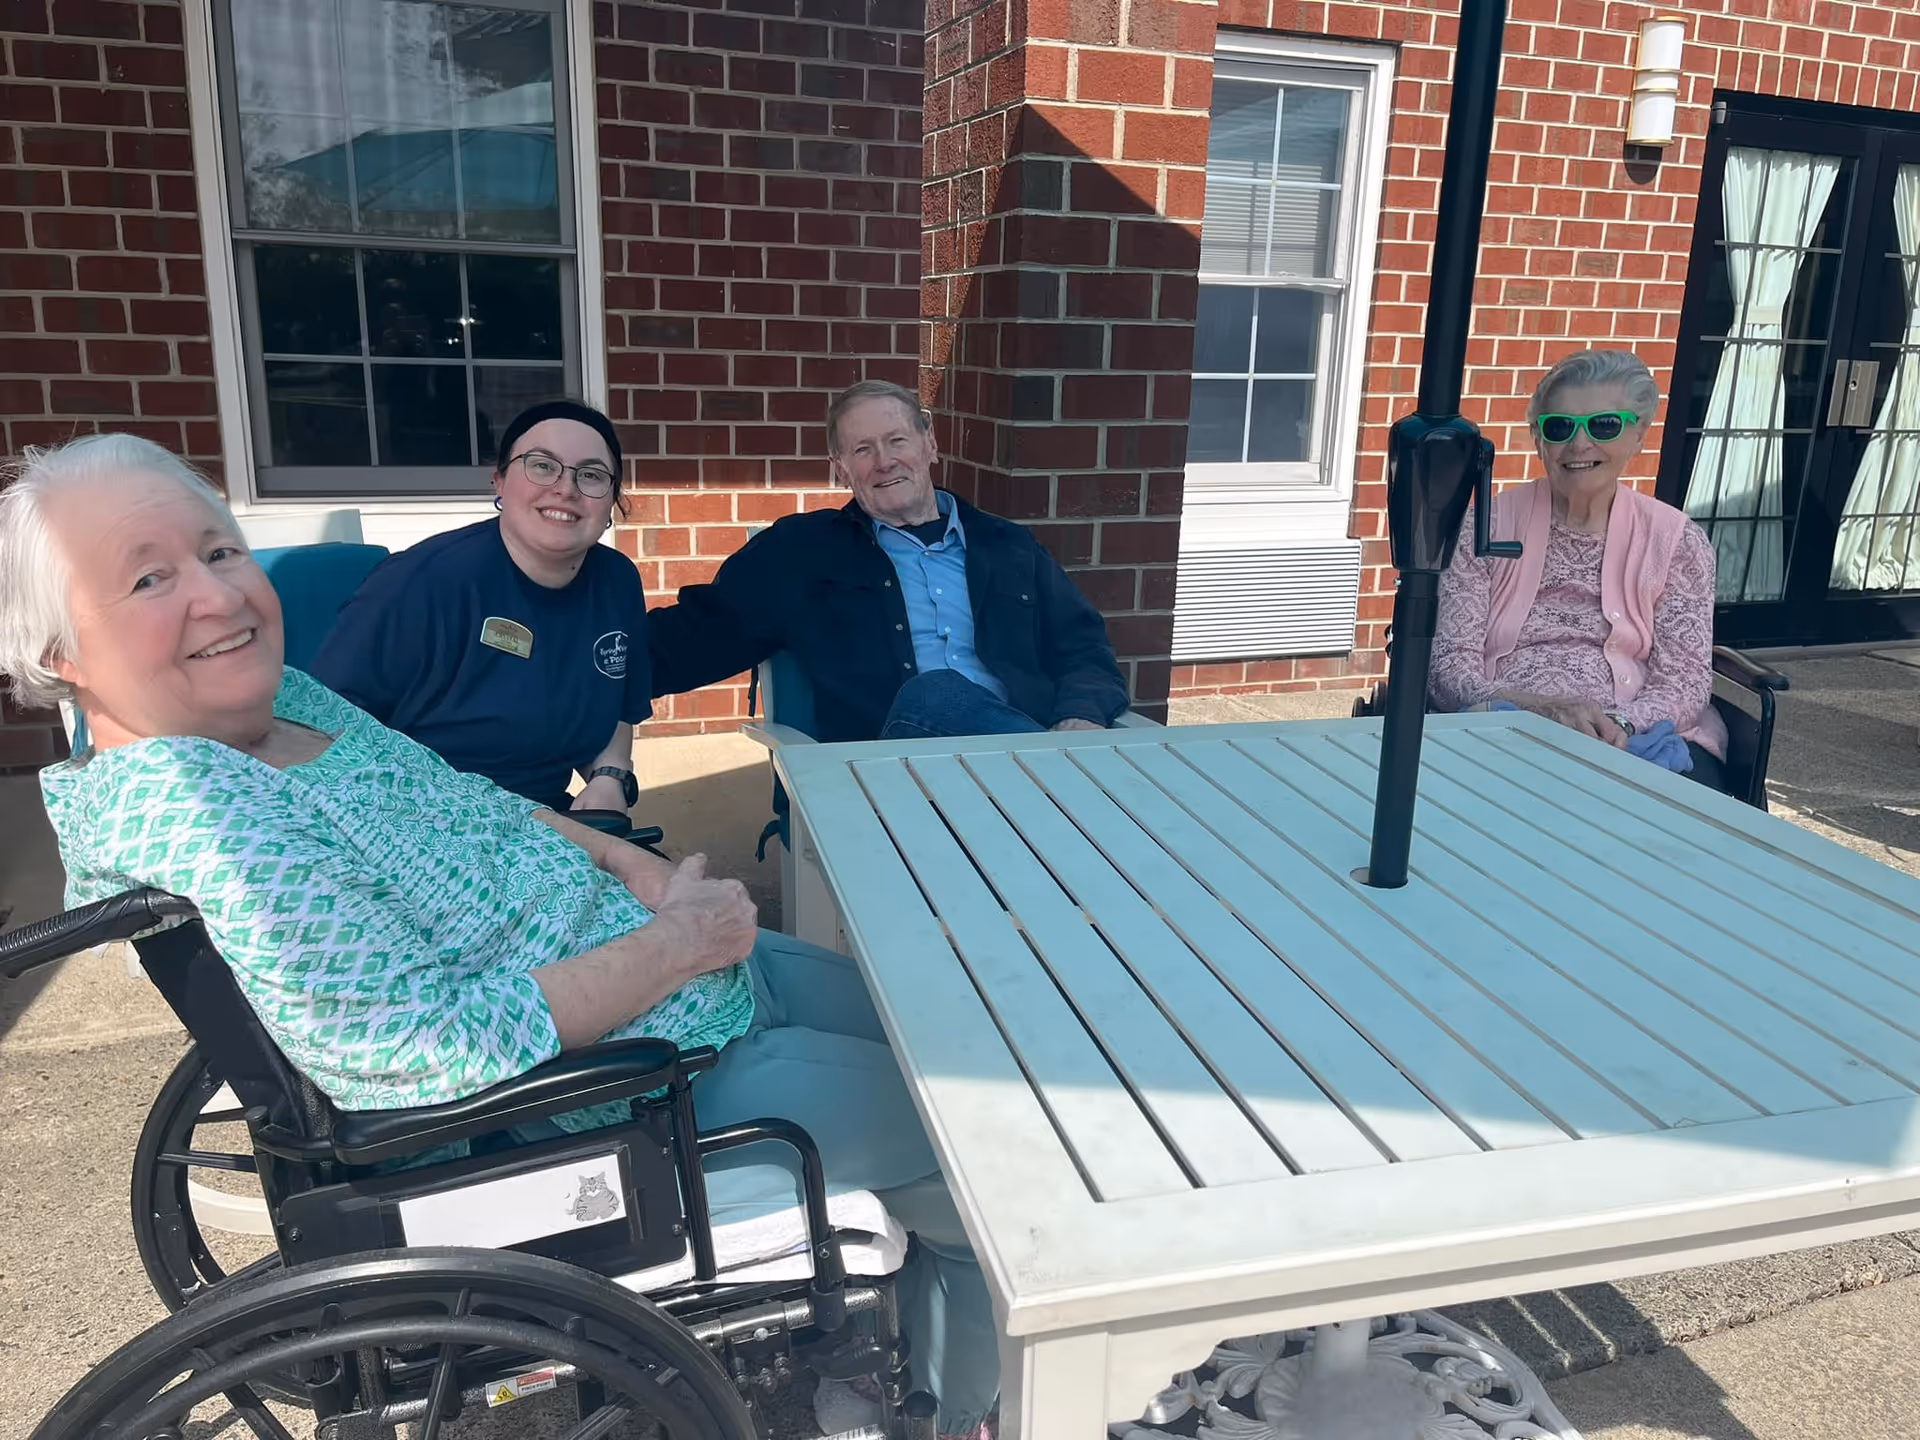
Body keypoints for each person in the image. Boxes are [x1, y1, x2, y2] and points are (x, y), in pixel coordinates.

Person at [0, 433, 998, 1440]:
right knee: (990, 1145)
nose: (218, 598)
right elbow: (418, 1049)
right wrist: (679, 946)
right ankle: (964, 1412)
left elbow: (468, 797)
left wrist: (636, 869)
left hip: (674, 961)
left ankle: (904, 1330)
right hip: (639, 1089)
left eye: (220, 552)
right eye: (148, 578)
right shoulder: (204, 808)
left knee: (953, 1029)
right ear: (58, 655)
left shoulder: (275, 701)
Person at [647, 379, 1130, 741]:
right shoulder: (801, 553)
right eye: (862, 450)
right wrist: (588, 656)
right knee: (934, 692)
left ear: (929, 444)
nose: (884, 461)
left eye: (897, 441)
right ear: (841, 470)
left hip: (1013, 766)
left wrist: (1081, 716)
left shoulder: (1009, 547)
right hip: (886, 777)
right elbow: (697, 635)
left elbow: (1082, 647)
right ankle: (1059, 784)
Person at [308, 399, 648, 818]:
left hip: (546, 822)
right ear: (500, 482)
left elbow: (619, 709)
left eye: (592, 475)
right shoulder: (418, 584)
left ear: (612, 501)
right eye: (542, 465)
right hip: (418, 823)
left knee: (686, 883)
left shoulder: (617, 582)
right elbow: (318, 729)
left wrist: (609, 778)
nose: (566, 488)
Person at [1430, 349, 1728, 786]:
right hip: (1500, 730)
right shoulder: (1484, 528)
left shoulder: (1677, 542)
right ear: (1538, 439)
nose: (1579, 444)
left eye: (1604, 425)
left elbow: (1684, 680)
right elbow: (1450, 665)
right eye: (1559, 427)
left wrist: (1615, 725)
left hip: (1630, 740)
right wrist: (1537, 711)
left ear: (1639, 434)